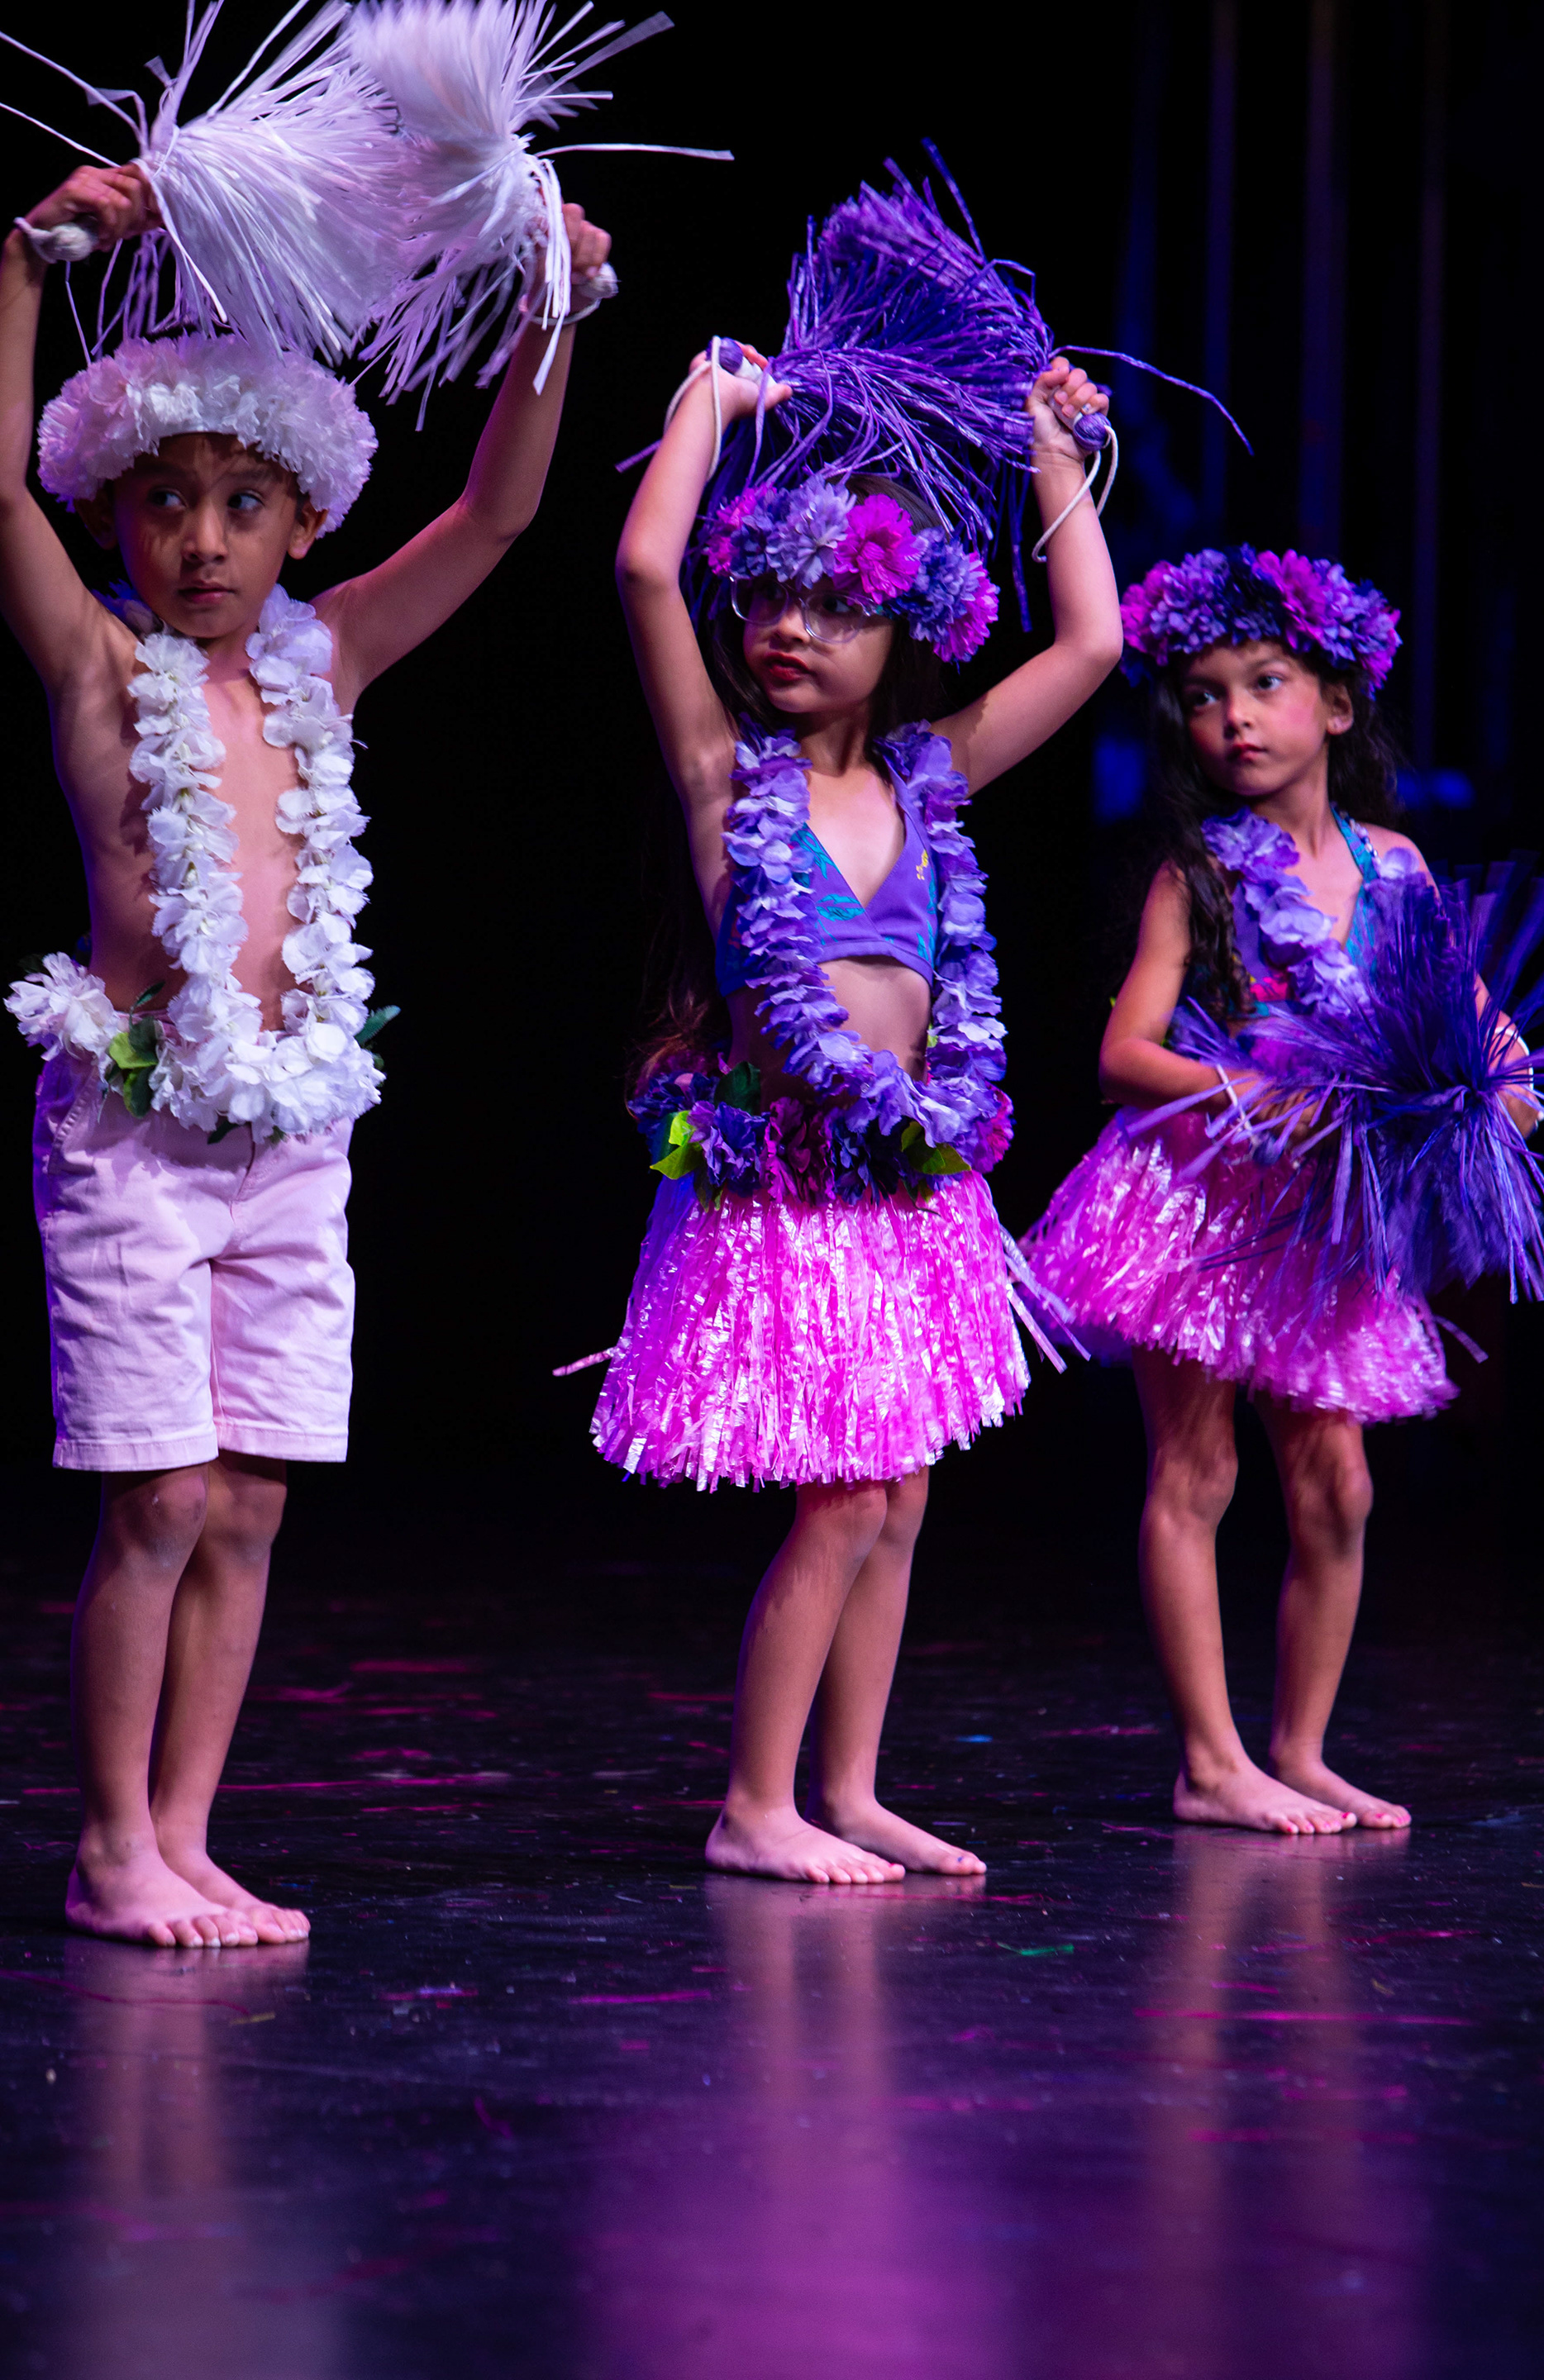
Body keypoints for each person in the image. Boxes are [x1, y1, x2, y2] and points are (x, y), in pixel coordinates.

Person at [1, 160, 611, 1946]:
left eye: (242, 504)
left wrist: (549, 312)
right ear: (116, 516)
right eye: (167, 502)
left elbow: (497, 514)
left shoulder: (324, 662)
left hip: (293, 1134)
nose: (202, 539)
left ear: (303, 524)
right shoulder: (97, 666)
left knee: (252, 1503)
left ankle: (187, 1836)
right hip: (135, 1126)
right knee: (161, 1498)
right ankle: (112, 1843)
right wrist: (23, 271)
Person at [594, 170, 1122, 1884]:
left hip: (914, 1189)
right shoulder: (722, 779)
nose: (787, 630)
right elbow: (645, 563)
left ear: (903, 632)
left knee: (900, 1498)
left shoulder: (927, 776)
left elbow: (1094, 642)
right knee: (843, 1496)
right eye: (770, 602)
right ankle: (755, 1805)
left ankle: (853, 1785)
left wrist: (1051, 452)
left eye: (831, 606)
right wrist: (710, 402)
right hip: (788, 1185)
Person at [1022, 545, 1475, 1837]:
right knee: (1199, 1469)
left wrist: (1495, 1074)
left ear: (1335, 703)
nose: (1233, 718)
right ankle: (1212, 1763)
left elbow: (1459, 1011)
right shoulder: (1201, 875)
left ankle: (1302, 1749)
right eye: (1205, 697)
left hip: (1328, 1217)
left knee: (1340, 1488)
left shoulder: (1396, 868)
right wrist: (1243, 1088)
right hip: (1197, 1209)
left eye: (1264, 684)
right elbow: (1123, 1056)